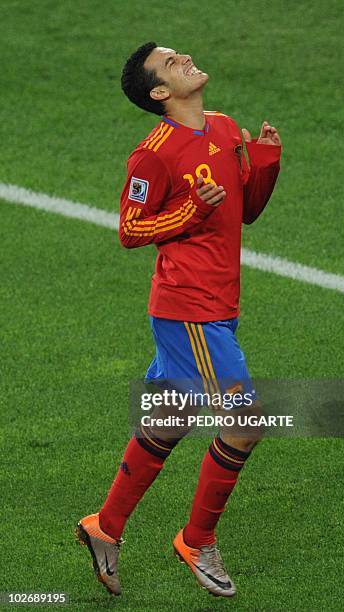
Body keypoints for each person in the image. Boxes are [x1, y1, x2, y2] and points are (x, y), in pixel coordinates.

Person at [76, 41, 282, 598]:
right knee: (246, 421)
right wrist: (192, 208)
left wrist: (264, 165)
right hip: (188, 306)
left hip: (218, 304)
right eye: (171, 62)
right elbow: (129, 230)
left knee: (169, 419)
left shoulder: (223, 125)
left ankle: (105, 527)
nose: (184, 58)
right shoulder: (154, 155)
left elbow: (245, 210)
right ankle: (198, 539)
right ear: (160, 94)